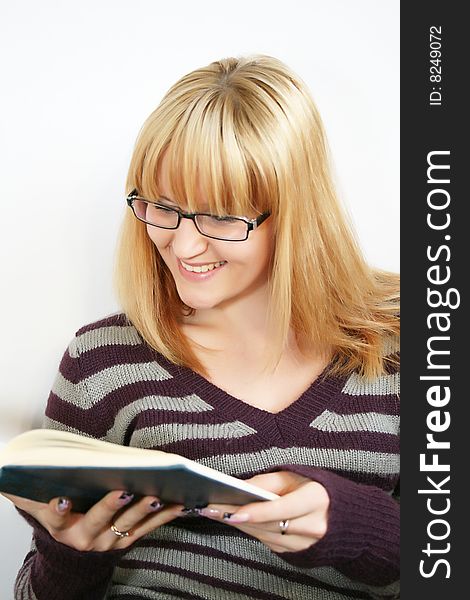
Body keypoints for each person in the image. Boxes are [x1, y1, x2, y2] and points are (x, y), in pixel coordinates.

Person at [8, 55, 400, 600]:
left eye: (219, 216)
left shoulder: (402, 349)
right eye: (162, 207)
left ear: (294, 215)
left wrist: (352, 526)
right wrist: (70, 555)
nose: (184, 245)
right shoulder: (103, 362)